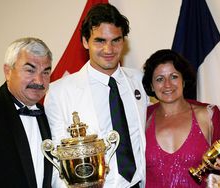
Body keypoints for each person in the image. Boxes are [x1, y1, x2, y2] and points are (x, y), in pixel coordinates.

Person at [44, 3, 148, 188]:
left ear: (123, 41)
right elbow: (57, 158)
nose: (109, 49)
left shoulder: (139, 80)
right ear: (85, 41)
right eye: (100, 40)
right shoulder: (59, 92)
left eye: (115, 40)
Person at [142, 49, 220, 188]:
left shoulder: (209, 115)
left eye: (174, 76)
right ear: (151, 86)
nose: (167, 84)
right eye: (159, 79)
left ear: (183, 80)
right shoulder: (141, 118)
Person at [0, 37, 54, 188]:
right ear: (7, 71)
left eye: (45, 72)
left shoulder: (48, 115)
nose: (39, 81)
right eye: (30, 70)